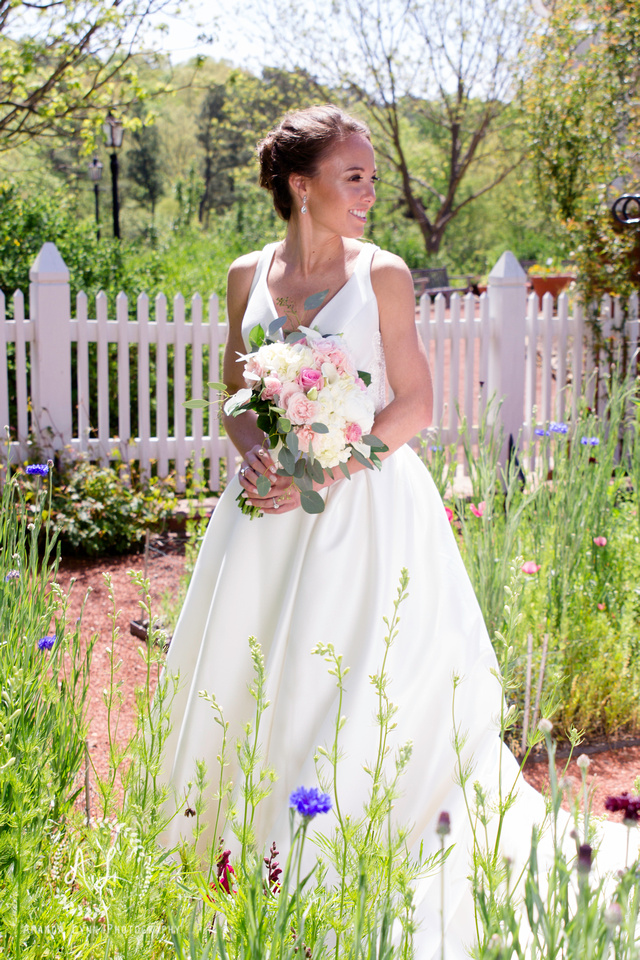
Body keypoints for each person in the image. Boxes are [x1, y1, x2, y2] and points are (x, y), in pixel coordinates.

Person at [157, 105, 625, 958]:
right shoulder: (243, 275)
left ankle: (341, 866)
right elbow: (237, 397)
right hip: (264, 516)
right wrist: (262, 458)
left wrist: (330, 468)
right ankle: (249, 861)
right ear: (301, 186)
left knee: (355, 682)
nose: (372, 192)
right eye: (355, 176)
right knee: (256, 676)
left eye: (372, 175)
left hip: (365, 511)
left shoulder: (385, 276)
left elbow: (414, 404)